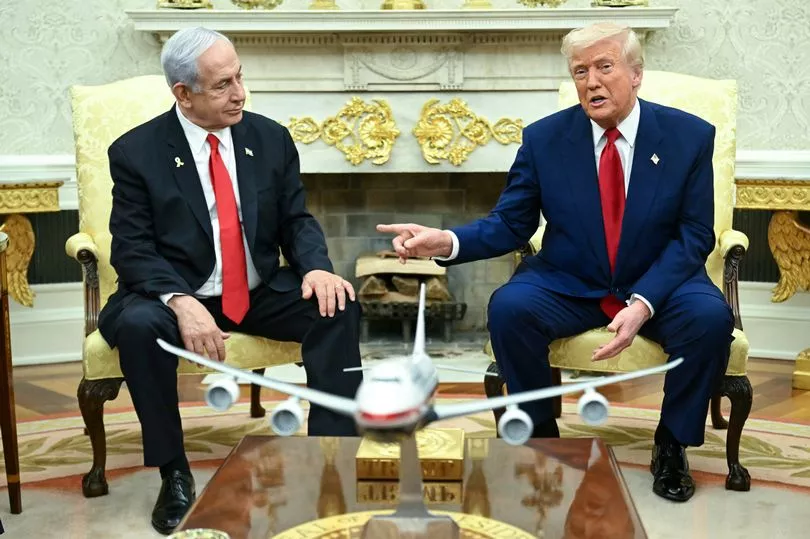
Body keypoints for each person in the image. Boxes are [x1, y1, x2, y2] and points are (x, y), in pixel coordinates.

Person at [377, 21, 733, 503]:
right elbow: (511, 222)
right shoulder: (544, 139)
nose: (592, 81)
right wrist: (447, 241)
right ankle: (542, 439)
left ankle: (671, 444)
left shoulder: (688, 136)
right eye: (580, 71)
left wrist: (644, 301)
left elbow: (694, 235)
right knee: (510, 308)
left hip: (661, 281)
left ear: (636, 74)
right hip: (571, 279)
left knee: (710, 319)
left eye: (604, 67)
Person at [99, 27, 363, 534]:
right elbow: (132, 248)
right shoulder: (136, 153)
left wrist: (316, 267)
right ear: (184, 94)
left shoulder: (270, 138)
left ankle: (332, 458)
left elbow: (296, 220)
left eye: (239, 76)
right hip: (175, 292)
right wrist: (180, 300)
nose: (240, 92)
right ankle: (174, 473)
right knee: (137, 326)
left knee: (337, 305)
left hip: (257, 291)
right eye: (223, 85)